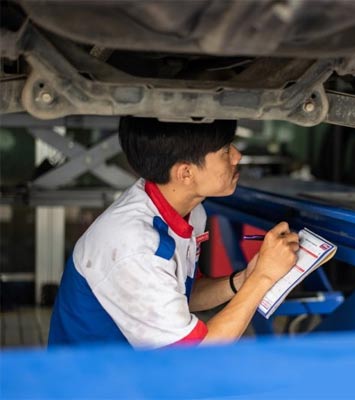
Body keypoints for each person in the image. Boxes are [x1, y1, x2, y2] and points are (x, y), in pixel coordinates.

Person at [48, 117, 299, 348]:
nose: (237, 156)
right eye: (225, 151)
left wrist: (243, 279)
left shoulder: (186, 209)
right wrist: (263, 278)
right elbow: (194, 356)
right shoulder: (135, 247)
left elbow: (181, 293)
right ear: (185, 173)